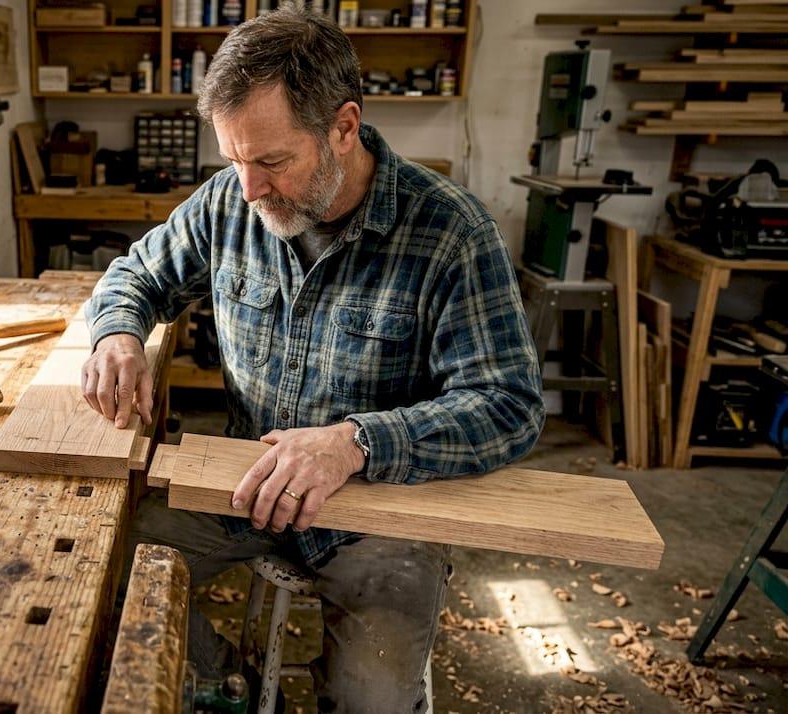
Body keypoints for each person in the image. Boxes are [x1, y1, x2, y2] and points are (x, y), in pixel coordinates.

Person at [81, 7, 544, 712]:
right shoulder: (227, 205)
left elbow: (508, 407)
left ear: (344, 127)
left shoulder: (451, 233)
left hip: (380, 516)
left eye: (271, 162)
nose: (249, 190)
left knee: (373, 699)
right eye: (234, 161)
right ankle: (220, 682)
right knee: (95, 578)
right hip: (242, 486)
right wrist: (118, 334)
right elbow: (134, 274)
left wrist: (357, 443)